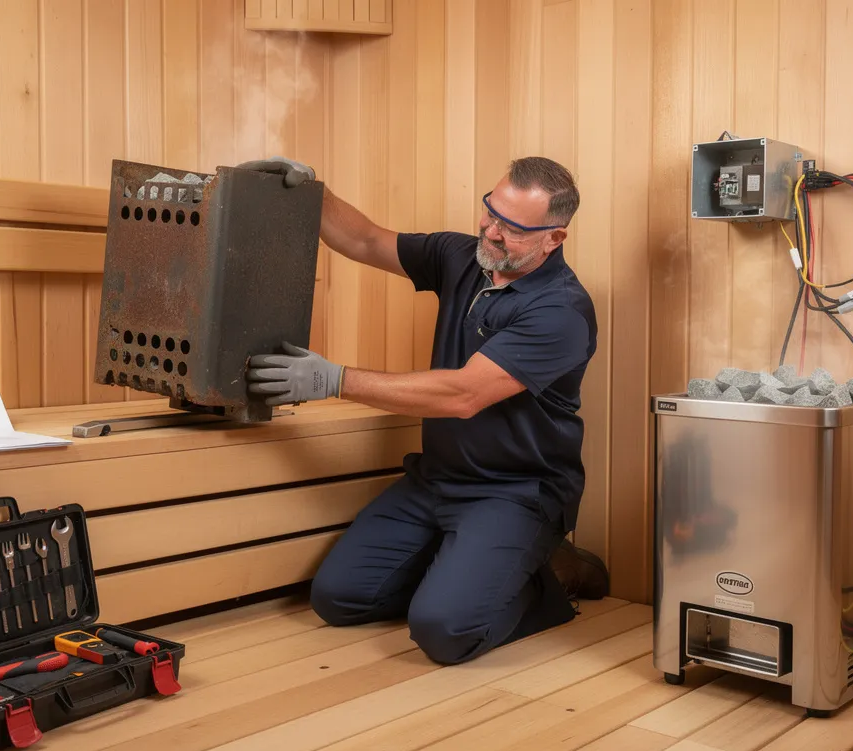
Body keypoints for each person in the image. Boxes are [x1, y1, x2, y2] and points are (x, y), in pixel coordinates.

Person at [237, 154, 609, 665]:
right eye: (491, 211)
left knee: (444, 632)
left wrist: (333, 379)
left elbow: (463, 394)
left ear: (554, 238)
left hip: (515, 492)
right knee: (339, 599)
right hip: (435, 480)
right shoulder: (462, 256)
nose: (493, 232)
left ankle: (550, 577)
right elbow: (365, 240)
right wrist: (307, 193)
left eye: (514, 228)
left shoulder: (560, 311)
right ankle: (471, 572)